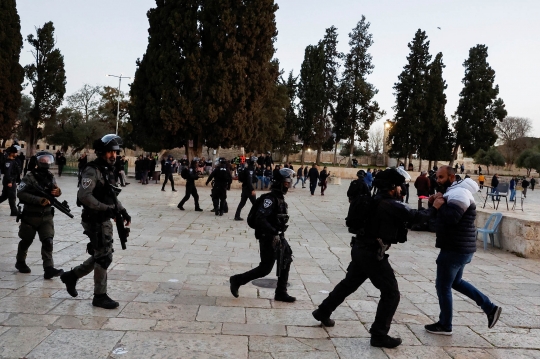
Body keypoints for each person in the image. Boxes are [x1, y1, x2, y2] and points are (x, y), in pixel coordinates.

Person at [312, 169, 430, 348]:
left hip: (360, 248)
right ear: (392, 186)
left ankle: (323, 311)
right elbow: (417, 217)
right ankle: (379, 334)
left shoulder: (374, 200)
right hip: (372, 254)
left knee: (349, 284)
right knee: (391, 293)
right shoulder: (390, 204)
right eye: (399, 185)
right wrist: (435, 208)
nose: (401, 189)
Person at [424, 166, 502, 335]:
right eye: (437, 177)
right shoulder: (454, 191)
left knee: (442, 286)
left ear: (452, 177)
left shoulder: (459, 193)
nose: (438, 180)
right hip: (460, 247)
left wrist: (439, 206)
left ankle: (445, 325)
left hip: (454, 249)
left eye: (441, 177)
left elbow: (452, 218)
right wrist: (436, 202)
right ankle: (490, 308)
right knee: (455, 282)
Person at [60, 134, 131, 309]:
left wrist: (122, 211)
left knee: (102, 254)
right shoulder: (92, 170)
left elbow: (111, 195)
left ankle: (72, 276)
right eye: (109, 152)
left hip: (104, 218)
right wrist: (106, 208)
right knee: (104, 257)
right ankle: (99, 296)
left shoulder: (106, 169)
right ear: (101, 152)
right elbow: (84, 196)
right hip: (94, 219)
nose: (113, 156)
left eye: (115, 152)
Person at [229, 168, 296, 303]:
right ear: (280, 183)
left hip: (277, 235)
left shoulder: (279, 198)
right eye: (286, 183)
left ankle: (281, 292)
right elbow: (260, 218)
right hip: (268, 237)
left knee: (286, 258)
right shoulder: (270, 199)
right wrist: (272, 232)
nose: (287, 186)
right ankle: (237, 280)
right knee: (265, 268)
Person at [15, 151, 64, 279]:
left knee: (48, 241)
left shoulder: (50, 176)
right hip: (31, 216)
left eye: (48, 160)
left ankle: (48, 268)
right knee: (26, 241)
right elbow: (20, 193)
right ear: (37, 161)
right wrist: (38, 200)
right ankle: (20, 261)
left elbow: (55, 190)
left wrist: (58, 192)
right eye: (43, 160)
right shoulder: (29, 177)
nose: (46, 162)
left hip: (46, 216)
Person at [0, 146, 21, 216]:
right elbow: (8, 173)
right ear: (12, 153)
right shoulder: (8, 162)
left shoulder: (13, 161)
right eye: (15, 152)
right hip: (9, 182)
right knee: (12, 196)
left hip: (11, 181)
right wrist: (10, 181)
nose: (16, 154)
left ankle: (14, 211)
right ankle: (14, 211)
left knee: (4, 196)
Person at [234, 156, 257, 221]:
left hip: (244, 188)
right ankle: (255, 217)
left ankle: (237, 216)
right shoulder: (250, 170)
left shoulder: (247, 169)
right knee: (255, 203)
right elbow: (249, 181)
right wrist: (252, 190)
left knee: (242, 203)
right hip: (248, 188)